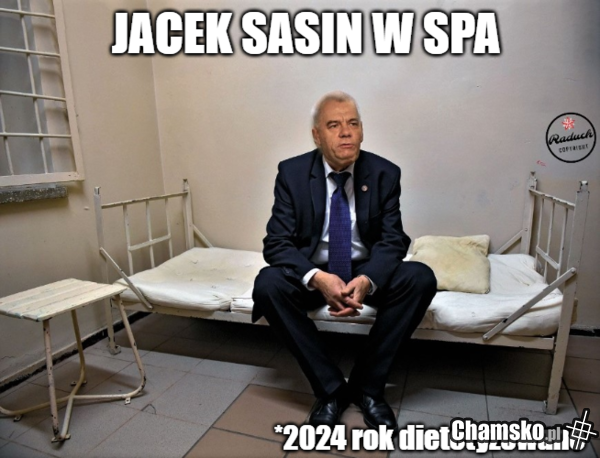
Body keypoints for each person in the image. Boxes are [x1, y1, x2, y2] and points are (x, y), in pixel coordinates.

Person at [252, 91, 436, 432]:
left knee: (420, 277)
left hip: (363, 269)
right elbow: (276, 243)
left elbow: (393, 240)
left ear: (362, 130)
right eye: (333, 125)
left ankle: (368, 388)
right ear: (317, 135)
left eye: (353, 123)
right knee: (267, 284)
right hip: (316, 271)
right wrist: (318, 278)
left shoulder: (384, 173)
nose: (346, 132)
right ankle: (331, 390)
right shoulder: (292, 173)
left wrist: (366, 280)